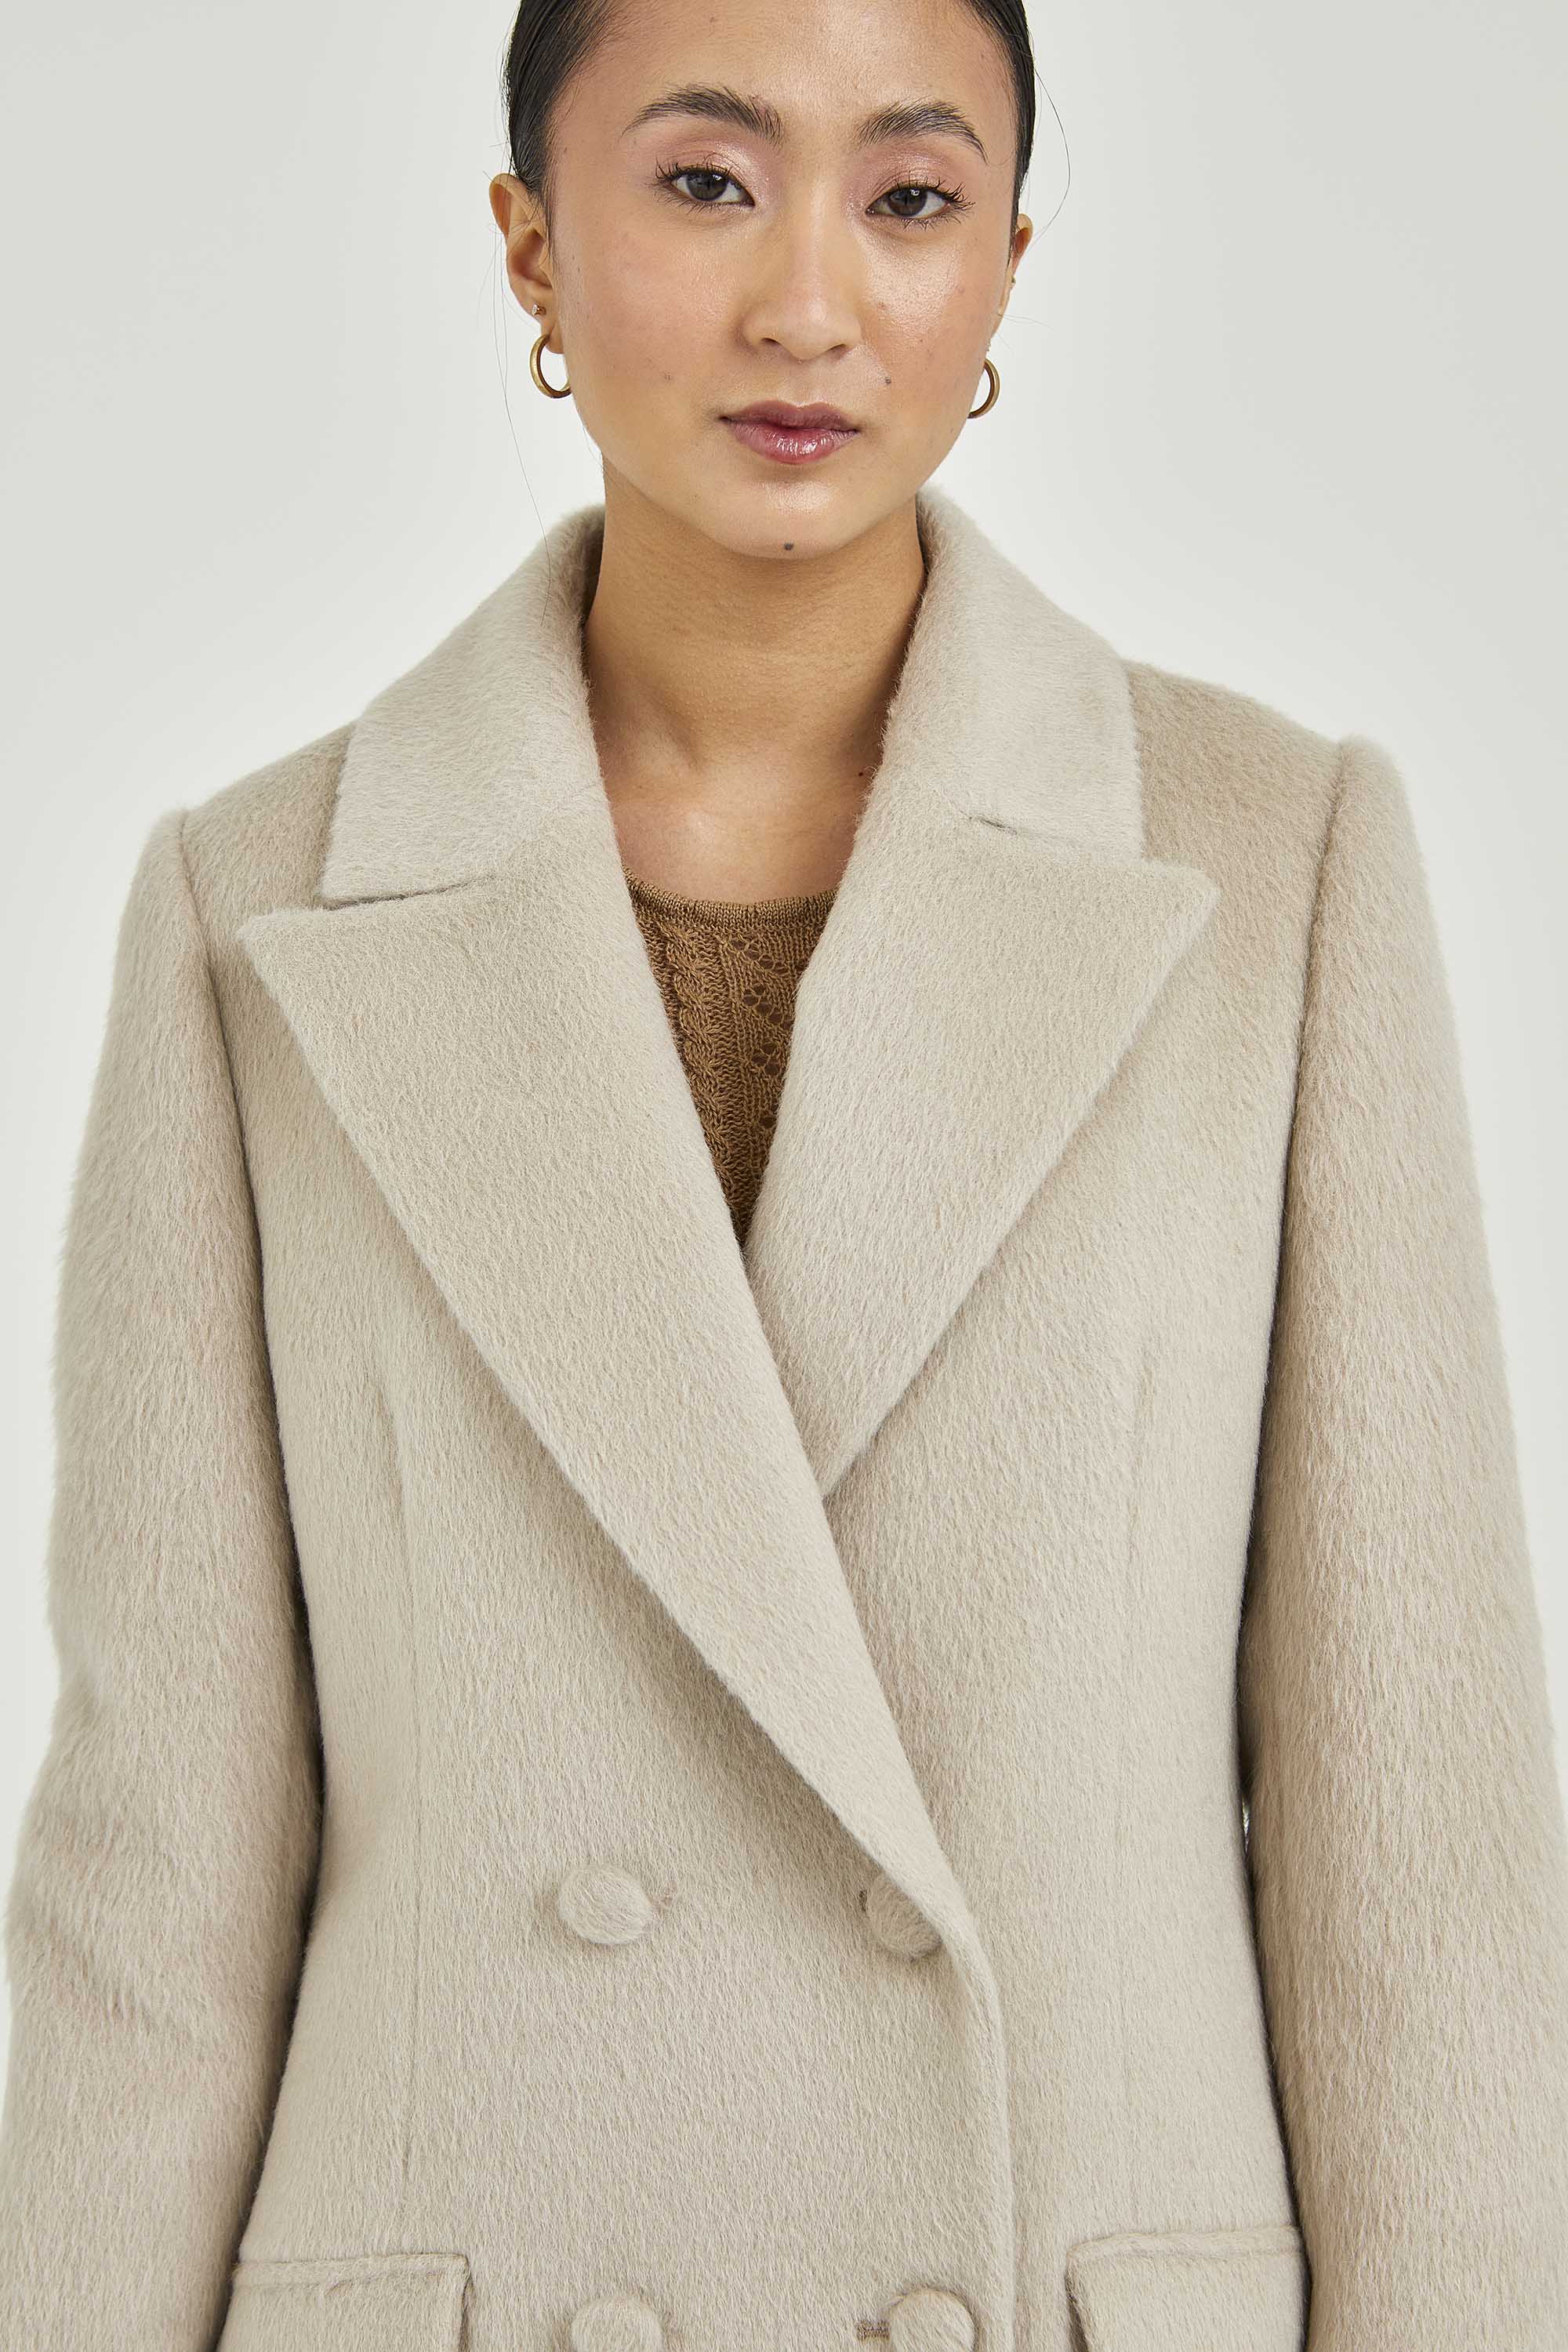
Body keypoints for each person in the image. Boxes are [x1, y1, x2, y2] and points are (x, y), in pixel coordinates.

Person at [3, 2, 1567, 2348]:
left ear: (1009, 263)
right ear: (531, 246)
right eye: (708, 184)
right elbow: (153, 1884)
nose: (809, 302)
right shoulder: (259, 908)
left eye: (911, 198)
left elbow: (1421, 1864)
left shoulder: (1272, 862)